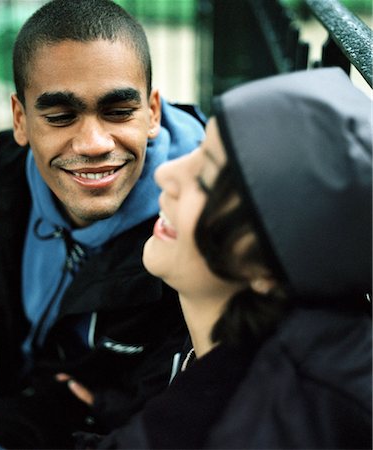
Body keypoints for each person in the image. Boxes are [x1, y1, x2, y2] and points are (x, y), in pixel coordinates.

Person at [0, 0, 205, 448]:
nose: (93, 143)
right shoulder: (13, 182)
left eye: (117, 111)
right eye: (59, 117)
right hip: (18, 405)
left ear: (152, 111)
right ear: (21, 119)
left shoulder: (198, 219)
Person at [70, 67, 372, 449]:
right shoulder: (246, 353)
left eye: (206, 178)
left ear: (271, 265)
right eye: (199, 151)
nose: (167, 174)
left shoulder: (256, 423)